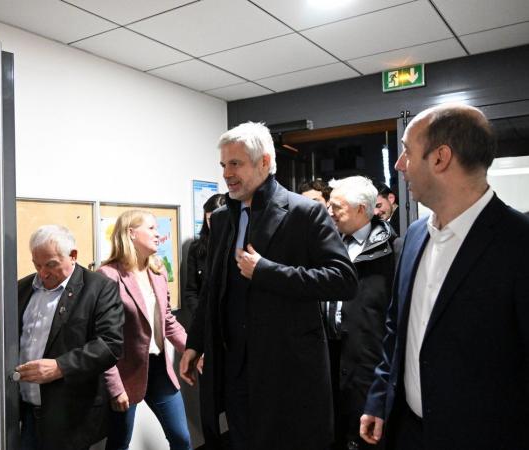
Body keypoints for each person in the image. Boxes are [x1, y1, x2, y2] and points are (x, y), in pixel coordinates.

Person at [180, 121, 359, 450]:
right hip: (235, 369)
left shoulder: (305, 213)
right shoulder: (221, 219)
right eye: (223, 165)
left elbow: (343, 280)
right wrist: (196, 343)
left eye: (235, 164)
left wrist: (267, 271)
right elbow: (212, 291)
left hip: (286, 370)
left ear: (264, 162)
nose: (226, 173)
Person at [359, 104, 529, 450]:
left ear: (440, 158)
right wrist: (379, 398)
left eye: (406, 151)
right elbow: (397, 328)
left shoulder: (519, 243)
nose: (399, 165)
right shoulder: (413, 237)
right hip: (407, 432)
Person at [0, 225, 124, 450]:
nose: (43, 273)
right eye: (37, 265)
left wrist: (60, 367)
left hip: (69, 414)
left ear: (73, 256)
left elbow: (110, 345)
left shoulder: (99, 288)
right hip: (24, 411)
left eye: (50, 264)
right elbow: (11, 339)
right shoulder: (22, 288)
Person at [98, 210, 192, 450]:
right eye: (151, 228)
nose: (157, 234)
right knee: (119, 442)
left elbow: (167, 321)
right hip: (125, 373)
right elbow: (101, 340)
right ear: (131, 233)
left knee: (181, 438)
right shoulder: (108, 276)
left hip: (160, 368)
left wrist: (193, 349)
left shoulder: (158, 272)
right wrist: (115, 387)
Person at [325, 176, 398, 450]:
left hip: (369, 369)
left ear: (360, 209)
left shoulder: (392, 250)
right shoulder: (328, 244)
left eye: (336, 207)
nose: (329, 212)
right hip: (330, 362)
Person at [184, 193, 226, 316]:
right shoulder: (196, 248)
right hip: (203, 317)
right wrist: (201, 316)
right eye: (209, 220)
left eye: (218, 220)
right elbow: (191, 291)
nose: (214, 225)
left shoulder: (238, 245)